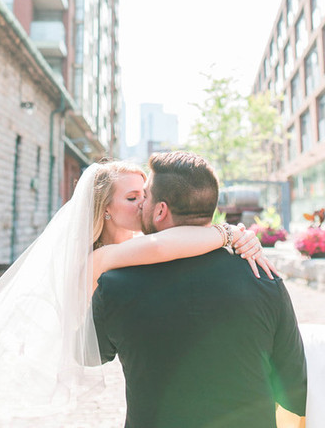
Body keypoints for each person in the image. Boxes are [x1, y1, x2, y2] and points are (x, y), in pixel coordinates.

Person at [0, 159, 273, 428]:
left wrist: (238, 236)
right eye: (132, 197)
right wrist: (229, 233)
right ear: (104, 209)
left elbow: (174, 243)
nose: (145, 204)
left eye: (144, 194)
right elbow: (168, 246)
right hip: (71, 370)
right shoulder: (102, 258)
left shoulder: (135, 248)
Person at [92, 151, 307, 428]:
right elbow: (294, 385)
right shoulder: (265, 279)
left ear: (160, 210)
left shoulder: (115, 285)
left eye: (144, 196)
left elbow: (91, 353)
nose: (141, 204)